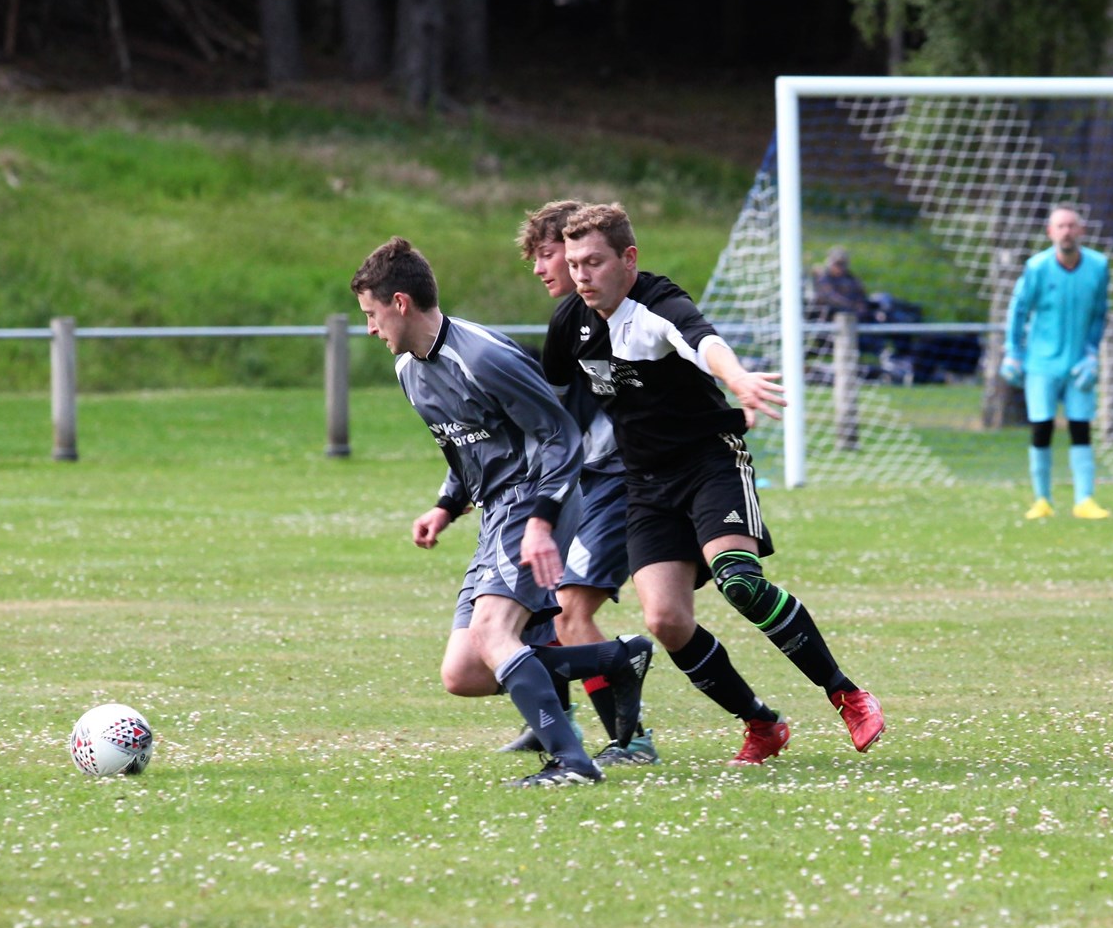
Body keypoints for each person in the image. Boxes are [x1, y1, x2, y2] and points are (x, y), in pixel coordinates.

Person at [545, 203, 885, 766]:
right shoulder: (570, 324)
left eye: (595, 262)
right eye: (574, 262)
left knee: (740, 583)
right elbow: (548, 398)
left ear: (628, 260)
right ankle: (761, 723)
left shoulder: (658, 305)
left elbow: (702, 342)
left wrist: (739, 379)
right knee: (665, 620)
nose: (581, 274)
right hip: (646, 486)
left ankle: (846, 694)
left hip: (709, 465)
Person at [349, 236, 654, 787]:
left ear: (399, 303)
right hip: (496, 512)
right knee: (464, 672)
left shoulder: (484, 356)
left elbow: (562, 437)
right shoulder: (408, 371)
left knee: (494, 634)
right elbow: (465, 446)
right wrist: (446, 505)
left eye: (372, 315)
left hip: (536, 500)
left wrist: (541, 520)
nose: (371, 329)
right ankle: (614, 659)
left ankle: (572, 763)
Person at [496, 199, 660, 766]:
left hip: (620, 481)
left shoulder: (625, 319)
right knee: (542, 601)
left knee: (569, 608)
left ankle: (632, 734)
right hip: (583, 483)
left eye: (548, 256)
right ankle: (554, 720)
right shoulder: (571, 323)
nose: (543, 269)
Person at [999, 205, 1111, 521]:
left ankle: (1084, 499)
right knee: (1042, 428)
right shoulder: (1037, 268)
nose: (1066, 232)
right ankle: (1042, 499)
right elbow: (1018, 310)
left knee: (1080, 428)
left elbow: (1100, 313)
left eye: (1072, 226)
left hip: (1078, 365)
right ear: (1050, 232)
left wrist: (1091, 352)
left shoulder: (1099, 266)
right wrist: (1013, 352)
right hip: (1042, 364)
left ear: (1082, 231)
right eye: (1060, 226)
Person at [812, 246, 871, 325]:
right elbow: (830, 297)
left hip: (855, 314)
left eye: (843, 264)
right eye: (837, 263)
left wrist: (861, 305)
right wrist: (852, 305)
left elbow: (861, 293)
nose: (840, 267)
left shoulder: (850, 277)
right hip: (833, 315)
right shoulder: (824, 278)